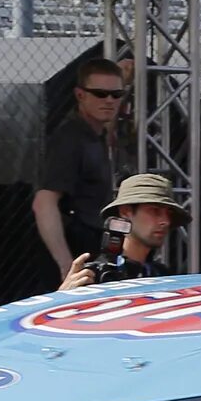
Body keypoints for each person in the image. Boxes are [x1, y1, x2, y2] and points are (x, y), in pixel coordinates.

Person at [34, 57, 130, 278]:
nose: (109, 100)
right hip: (76, 251)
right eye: (99, 94)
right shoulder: (70, 139)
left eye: (116, 95)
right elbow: (44, 203)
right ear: (80, 95)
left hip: (94, 247)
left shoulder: (97, 133)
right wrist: (66, 266)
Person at [65, 175, 186, 287]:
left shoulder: (163, 275)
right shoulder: (94, 276)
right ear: (125, 212)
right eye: (155, 211)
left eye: (168, 214)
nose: (166, 221)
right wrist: (64, 297)